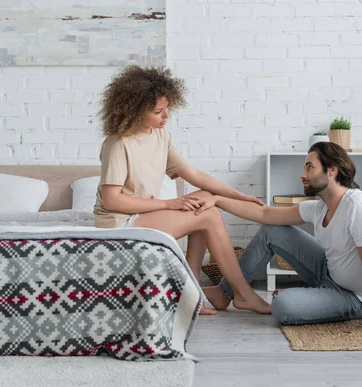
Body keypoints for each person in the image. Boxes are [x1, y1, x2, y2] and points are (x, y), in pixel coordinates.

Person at [195, 142, 362, 335]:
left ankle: (304, 298)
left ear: (332, 171)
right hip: (328, 272)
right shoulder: (319, 208)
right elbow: (265, 213)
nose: (302, 175)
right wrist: (217, 200)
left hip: (354, 297)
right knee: (271, 229)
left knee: (283, 306)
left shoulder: (360, 209)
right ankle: (227, 293)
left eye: (309, 167)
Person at [93, 65, 271, 315]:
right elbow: (112, 201)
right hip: (118, 223)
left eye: (167, 108)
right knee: (206, 213)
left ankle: (191, 290)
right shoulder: (118, 144)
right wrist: (169, 204)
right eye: (158, 111)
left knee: (204, 201)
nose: (166, 116)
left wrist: (237, 195)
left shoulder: (160, 135)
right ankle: (242, 294)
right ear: (134, 111)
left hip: (141, 216)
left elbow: (195, 175)